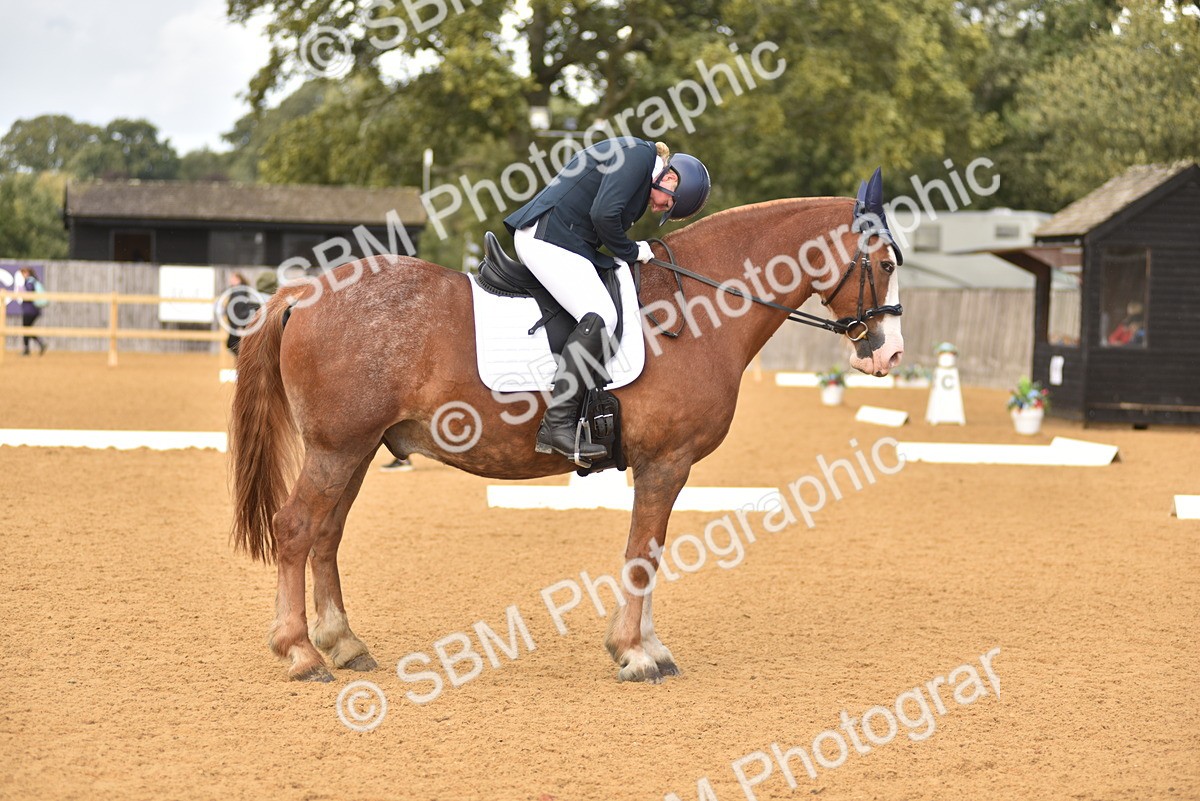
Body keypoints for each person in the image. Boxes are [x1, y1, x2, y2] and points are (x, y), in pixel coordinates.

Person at [503, 137, 711, 462]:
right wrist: (631, 251)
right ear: (670, 179)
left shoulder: (639, 166)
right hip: (548, 238)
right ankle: (556, 424)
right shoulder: (639, 157)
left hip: (567, 241)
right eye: (666, 204)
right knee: (602, 314)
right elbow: (604, 215)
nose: (658, 209)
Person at [221, 272, 256, 356]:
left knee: (236, 347)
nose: (230, 280)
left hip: (237, 325)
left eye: (233, 278)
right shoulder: (238, 291)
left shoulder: (238, 292)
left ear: (238, 279)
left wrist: (239, 326)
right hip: (237, 324)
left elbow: (238, 310)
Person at [17, 267, 48, 356]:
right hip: (33, 310)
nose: (22, 275)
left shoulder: (29, 282)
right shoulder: (33, 281)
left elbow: (29, 293)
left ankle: (27, 349)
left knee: (26, 329)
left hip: (30, 310)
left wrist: (22, 293)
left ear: (27, 273)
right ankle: (40, 344)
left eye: (23, 273)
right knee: (28, 329)